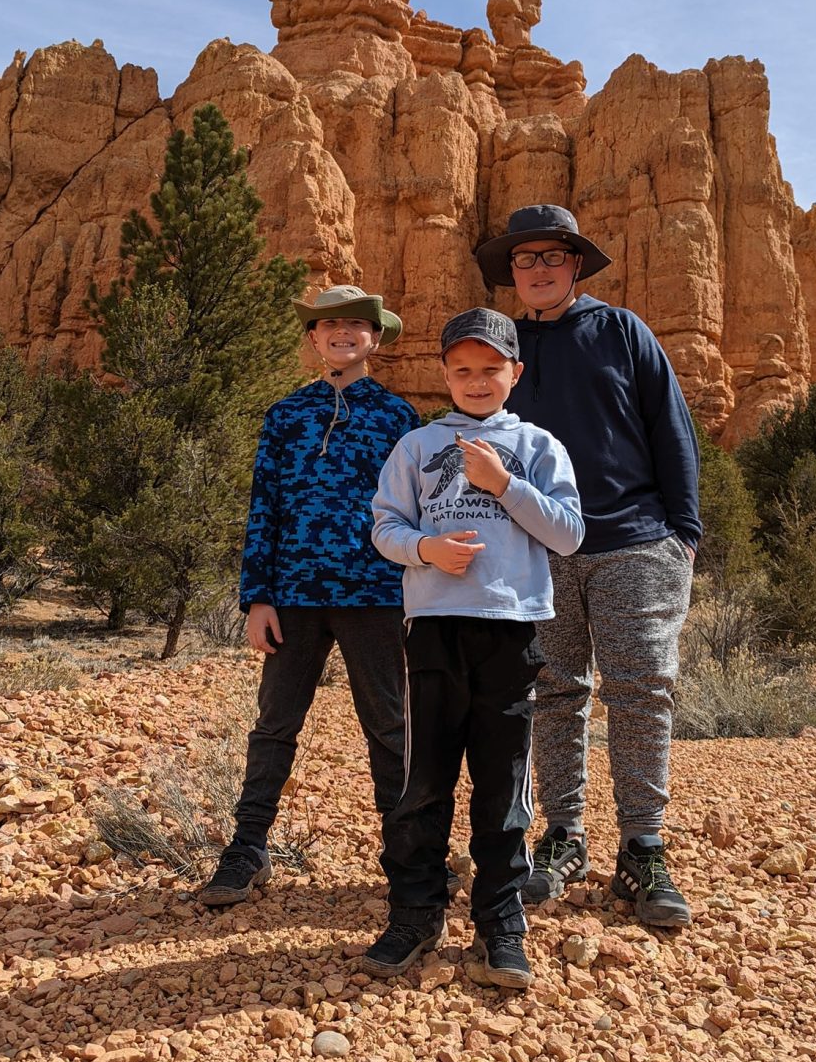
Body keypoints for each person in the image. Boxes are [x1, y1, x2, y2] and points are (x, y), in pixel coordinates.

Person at [475, 205, 701, 928]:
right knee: (555, 694)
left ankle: (643, 848)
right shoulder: (502, 351)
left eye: (553, 257)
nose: (538, 270)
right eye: (524, 259)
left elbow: (671, 425)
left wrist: (684, 533)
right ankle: (563, 838)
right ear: (511, 272)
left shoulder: (620, 330)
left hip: (635, 540)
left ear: (576, 266)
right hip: (539, 549)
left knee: (640, 693)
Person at [366, 308, 584, 987]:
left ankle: (500, 923)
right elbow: (384, 526)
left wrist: (503, 484)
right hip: (433, 626)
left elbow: (570, 533)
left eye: (491, 368)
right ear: (444, 375)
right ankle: (414, 914)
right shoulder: (417, 445)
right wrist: (425, 548)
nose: (477, 380)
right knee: (423, 779)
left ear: (515, 373)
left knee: (501, 784)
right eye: (462, 369)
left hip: (510, 628)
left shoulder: (539, 446)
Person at [198, 285, 419, 907]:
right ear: (313, 340)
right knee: (276, 723)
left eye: (355, 325)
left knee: (390, 724)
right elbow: (262, 508)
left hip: (375, 594)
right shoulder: (286, 415)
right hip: (292, 595)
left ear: (375, 338)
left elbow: (415, 512)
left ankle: (407, 854)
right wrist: (257, 597)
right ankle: (246, 848)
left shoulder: (399, 419)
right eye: (328, 327)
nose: (341, 334)